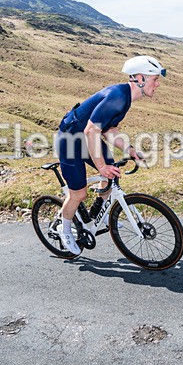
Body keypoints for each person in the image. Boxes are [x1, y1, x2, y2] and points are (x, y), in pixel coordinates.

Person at [54, 55, 163, 255]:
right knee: (79, 193)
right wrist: (101, 166)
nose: (157, 84)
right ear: (140, 78)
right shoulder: (118, 97)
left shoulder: (126, 98)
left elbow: (109, 130)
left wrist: (129, 150)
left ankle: (99, 213)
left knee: (111, 173)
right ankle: (65, 228)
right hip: (69, 141)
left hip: (86, 138)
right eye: (155, 79)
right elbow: (91, 131)